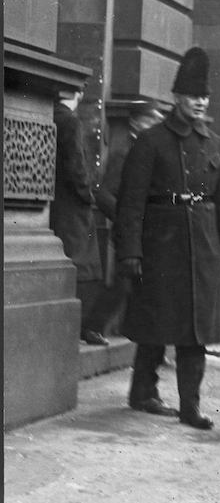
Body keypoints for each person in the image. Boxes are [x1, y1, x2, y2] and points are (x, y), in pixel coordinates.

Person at [114, 47, 220, 429]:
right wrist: (130, 253)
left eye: (205, 97)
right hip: (160, 246)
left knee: (195, 332)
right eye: (193, 96)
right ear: (177, 98)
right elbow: (131, 203)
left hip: (202, 250)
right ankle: (143, 391)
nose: (200, 102)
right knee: (154, 326)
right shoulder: (151, 141)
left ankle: (190, 407)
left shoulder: (215, 144)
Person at [89, 100, 166, 338]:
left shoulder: (149, 151)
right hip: (129, 231)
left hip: (146, 231)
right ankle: (92, 326)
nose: (156, 125)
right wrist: (126, 217)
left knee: (142, 285)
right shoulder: (125, 153)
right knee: (124, 283)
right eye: (151, 119)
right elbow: (103, 194)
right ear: (135, 122)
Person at [51, 86, 106, 346]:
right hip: (74, 207)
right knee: (86, 268)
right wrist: (88, 195)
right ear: (79, 94)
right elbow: (76, 165)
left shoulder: (49, 115)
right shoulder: (70, 121)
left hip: (55, 204)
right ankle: (79, 327)